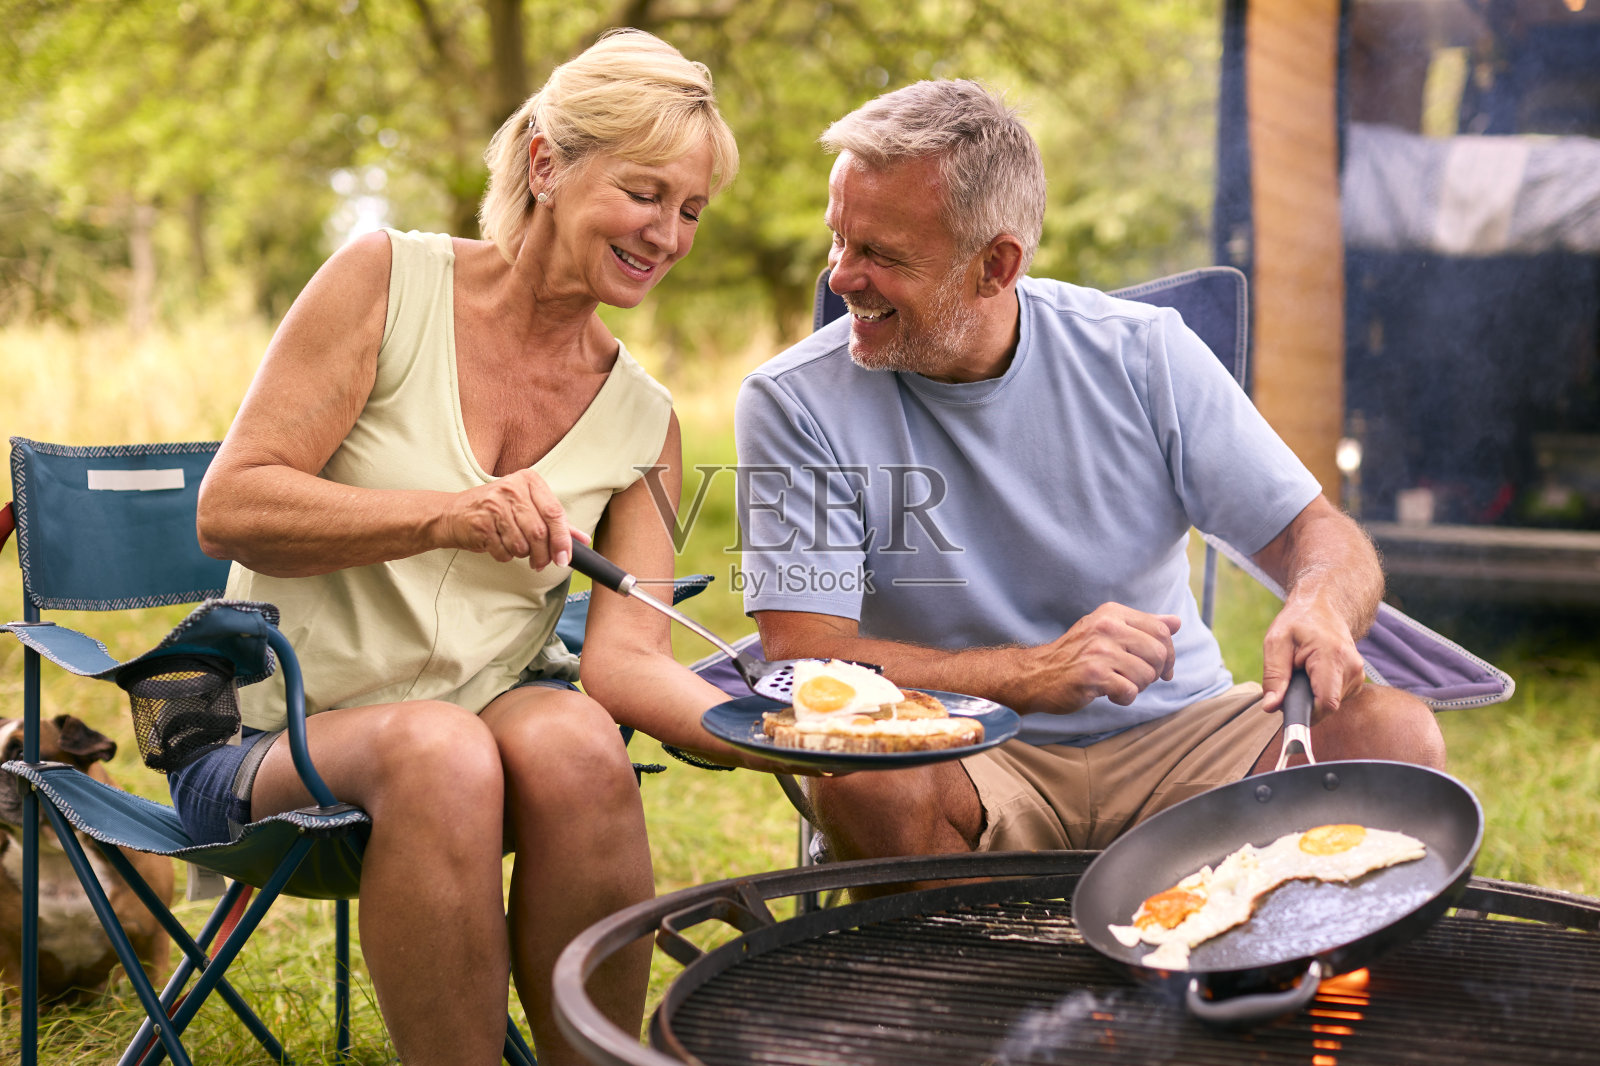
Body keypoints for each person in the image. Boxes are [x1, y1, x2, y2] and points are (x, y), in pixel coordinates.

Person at [185, 29, 782, 1066]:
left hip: (480, 747)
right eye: (647, 193)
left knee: (580, 740)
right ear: (548, 163)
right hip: (267, 738)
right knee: (439, 746)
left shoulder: (643, 419)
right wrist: (442, 513)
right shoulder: (386, 281)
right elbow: (230, 507)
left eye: (691, 209)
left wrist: (800, 735)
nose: (670, 234)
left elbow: (630, 662)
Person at [734, 79, 1446, 889]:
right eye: (841, 241)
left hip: (1181, 736)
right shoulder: (791, 402)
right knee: (862, 771)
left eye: (882, 256)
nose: (842, 278)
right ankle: (963, 994)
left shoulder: (1142, 354)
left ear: (996, 265)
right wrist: (1033, 675)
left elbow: (1316, 533)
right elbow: (806, 654)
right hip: (960, 747)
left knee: (1396, 740)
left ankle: (1265, 977)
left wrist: (1320, 601)